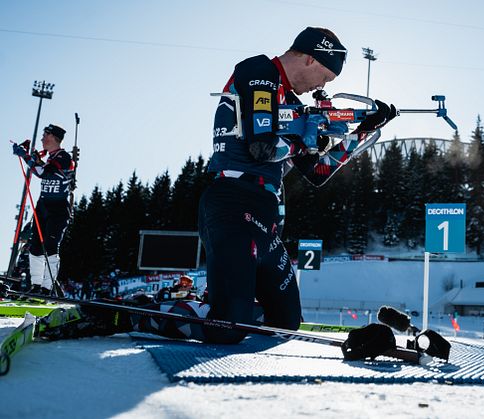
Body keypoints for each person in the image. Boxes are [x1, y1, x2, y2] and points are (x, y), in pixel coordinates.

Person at [31, 27, 397, 344]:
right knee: (228, 327)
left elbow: (317, 172)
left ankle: (215, 303)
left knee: (284, 323)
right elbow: (261, 145)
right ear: (309, 59)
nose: (322, 87)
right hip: (234, 204)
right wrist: (309, 137)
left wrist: (362, 132)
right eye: (325, 77)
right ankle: (121, 312)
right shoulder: (259, 71)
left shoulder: (292, 105)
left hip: (265, 219)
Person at [12, 124, 75, 296]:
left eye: (44, 136)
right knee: (35, 247)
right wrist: (29, 155)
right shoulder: (49, 157)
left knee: (51, 245)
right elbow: (40, 167)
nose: (41, 139)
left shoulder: (63, 157)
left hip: (58, 208)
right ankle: (37, 285)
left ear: (52, 137)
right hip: (43, 207)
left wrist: (27, 157)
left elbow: (44, 173)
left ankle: (48, 288)